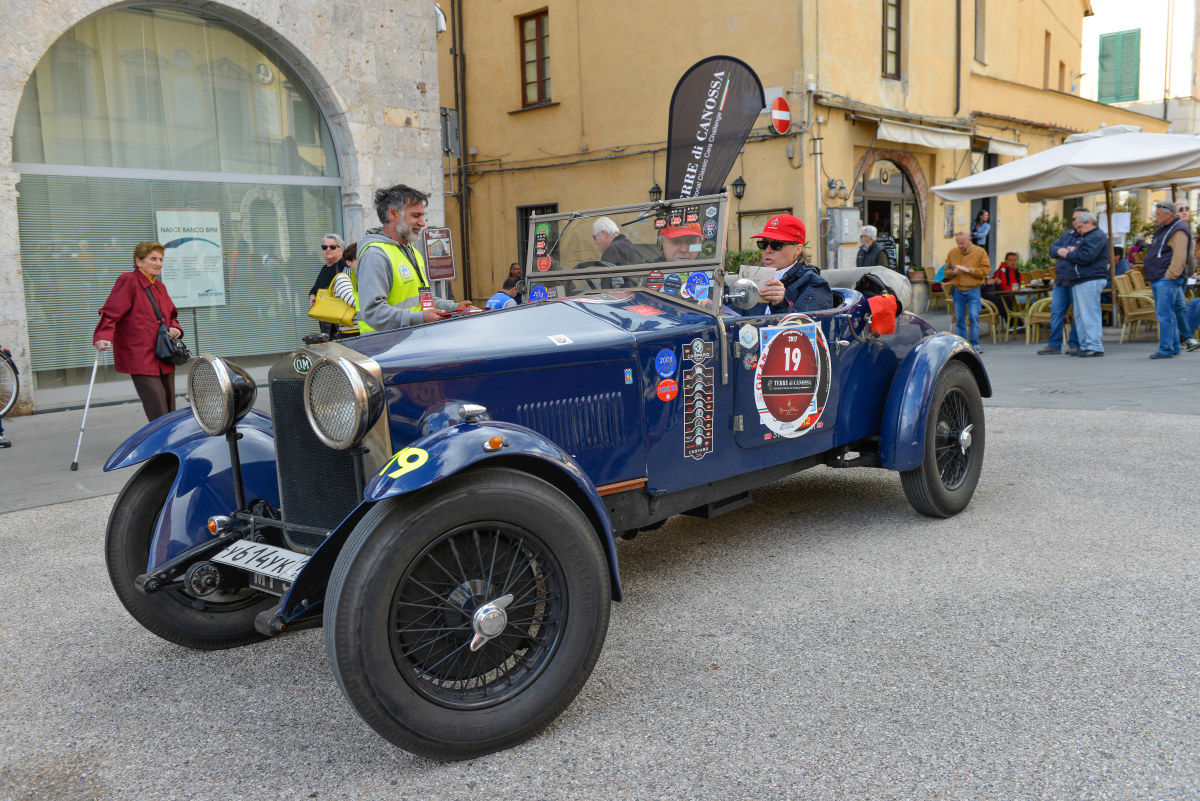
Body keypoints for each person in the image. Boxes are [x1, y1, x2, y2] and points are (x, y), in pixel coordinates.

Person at [93, 242, 186, 422]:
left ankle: (168, 441)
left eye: (161, 259)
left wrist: (175, 328)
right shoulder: (129, 280)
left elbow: (171, 315)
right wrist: (103, 336)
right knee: (157, 406)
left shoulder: (160, 287)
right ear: (139, 261)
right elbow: (112, 311)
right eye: (153, 259)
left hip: (164, 353)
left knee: (169, 405)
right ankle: (161, 443)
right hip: (141, 355)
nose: (158, 263)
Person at [352, 183, 462, 332]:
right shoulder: (375, 255)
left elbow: (423, 300)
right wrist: (420, 318)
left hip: (409, 343)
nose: (422, 223)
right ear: (393, 214)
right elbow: (373, 312)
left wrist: (455, 308)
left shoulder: (412, 251)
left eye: (423, 216)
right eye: (416, 215)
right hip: (385, 348)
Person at [741, 214, 834, 315]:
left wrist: (780, 304)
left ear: (797, 249)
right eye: (763, 244)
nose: (767, 250)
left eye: (776, 245)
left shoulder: (815, 284)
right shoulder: (755, 278)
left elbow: (806, 326)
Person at [1143, 200, 1193, 358]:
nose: (1155, 217)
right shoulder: (1166, 228)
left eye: (1158, 214)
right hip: (1160, 277)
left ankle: (1166, 349)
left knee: (1165, 314)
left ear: (1168, 215)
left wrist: (1169, 276)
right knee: (1168, 313)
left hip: (1166, 278)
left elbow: (1179, 256)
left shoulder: (1178, 230)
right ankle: (1173, 347)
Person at [1056, 210, 1108, 357]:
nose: (1077, 230)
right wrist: (1074, 251)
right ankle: (1085, 345)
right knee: (1080, 315)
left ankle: (1094, 346)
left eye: (1079, 227)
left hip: (1090, 278)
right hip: (1081, 279)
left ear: (1089, 223)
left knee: (1089, 313)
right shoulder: (1088, 236)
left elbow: (1086, 257)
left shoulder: (1096, 236)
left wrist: (1069, 254)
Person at [1038, 209, 1085, 355]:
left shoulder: (1088, 237)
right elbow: (1052, 250)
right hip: (1061, 280)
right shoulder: (1067, 235)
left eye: (1077, 219)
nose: (1074, 222)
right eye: (1073, 219)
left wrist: (1067, 252)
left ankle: (1074, 344)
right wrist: (1063, 251)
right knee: (1056, 312)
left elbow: (1080, 255)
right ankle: (1054, 344)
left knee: (1077, 313)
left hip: (1077, 280)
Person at [944, 230, 989, 350]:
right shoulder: (952, 253)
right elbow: (946, 272)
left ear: (969, 240)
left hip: (973, 289)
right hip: (957, 290)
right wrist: (951, 273)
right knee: (959, 319)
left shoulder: (980, 252)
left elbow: (985, 271)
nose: (960, 246)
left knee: (974, 317)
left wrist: (968, 270)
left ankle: (975, 344)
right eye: (958, 243)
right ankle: (962, 346)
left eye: (962, 243)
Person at [309, 234, 346, 339]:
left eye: (332, 247)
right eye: (324, 247)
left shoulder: (343, 265)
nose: (328, 249)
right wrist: (312, 294)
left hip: (339, 319)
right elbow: (317, 287)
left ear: (340, 249)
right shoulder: (325, 268)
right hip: (327, 318)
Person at [982, 251, 1021, 320]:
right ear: (1006, 261)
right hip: (1008, 295)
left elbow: (1022, 283)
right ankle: (1017, 322)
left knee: (1035, 298)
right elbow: (1002, 287)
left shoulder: (1017, 271)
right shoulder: (1001, 272)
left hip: (1017, 294)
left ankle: (1030, 320)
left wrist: (1021, 289)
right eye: (1011, 260)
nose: (1013, 262)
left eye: (1015, 260)